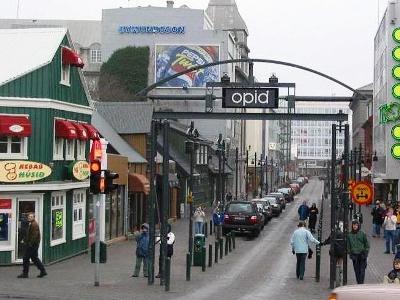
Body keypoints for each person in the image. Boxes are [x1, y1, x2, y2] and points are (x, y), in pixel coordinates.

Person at [17, 213, 47, 279]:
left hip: (32, 245)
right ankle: (43, 271)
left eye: (31, 217)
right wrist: (25, 240)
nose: (29, 218)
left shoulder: (34, 224)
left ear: (33, 217)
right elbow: (29, 234)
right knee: (34, 258)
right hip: (33, 244)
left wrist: (30, 243)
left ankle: (25, 273)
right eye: (29, 217)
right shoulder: (31, 224)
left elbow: (34, 235)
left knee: (25, 258)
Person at [321, 221, 346, 287]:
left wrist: (323, 243)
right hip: (341, 252)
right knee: (340, 262)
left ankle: (334, 276)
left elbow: (329, 240)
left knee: (333, 263)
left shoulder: (333, 233)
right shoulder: (344, 233)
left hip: (334, 251)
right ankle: (339, 272)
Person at [347, 219, 369, 284]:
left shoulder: (362, 234)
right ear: (352, 226)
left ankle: (361, 284)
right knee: (356, 271)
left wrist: (366, 253)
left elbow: (366, 244)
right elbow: (348, 245)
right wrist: (350, 253)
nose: (355, 226)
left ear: (358, 226)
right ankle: (358, 283)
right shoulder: (349, 235)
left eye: (356, 225)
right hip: (354, 255)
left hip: (362, 255)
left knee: (362, 271)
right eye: (354, 225)